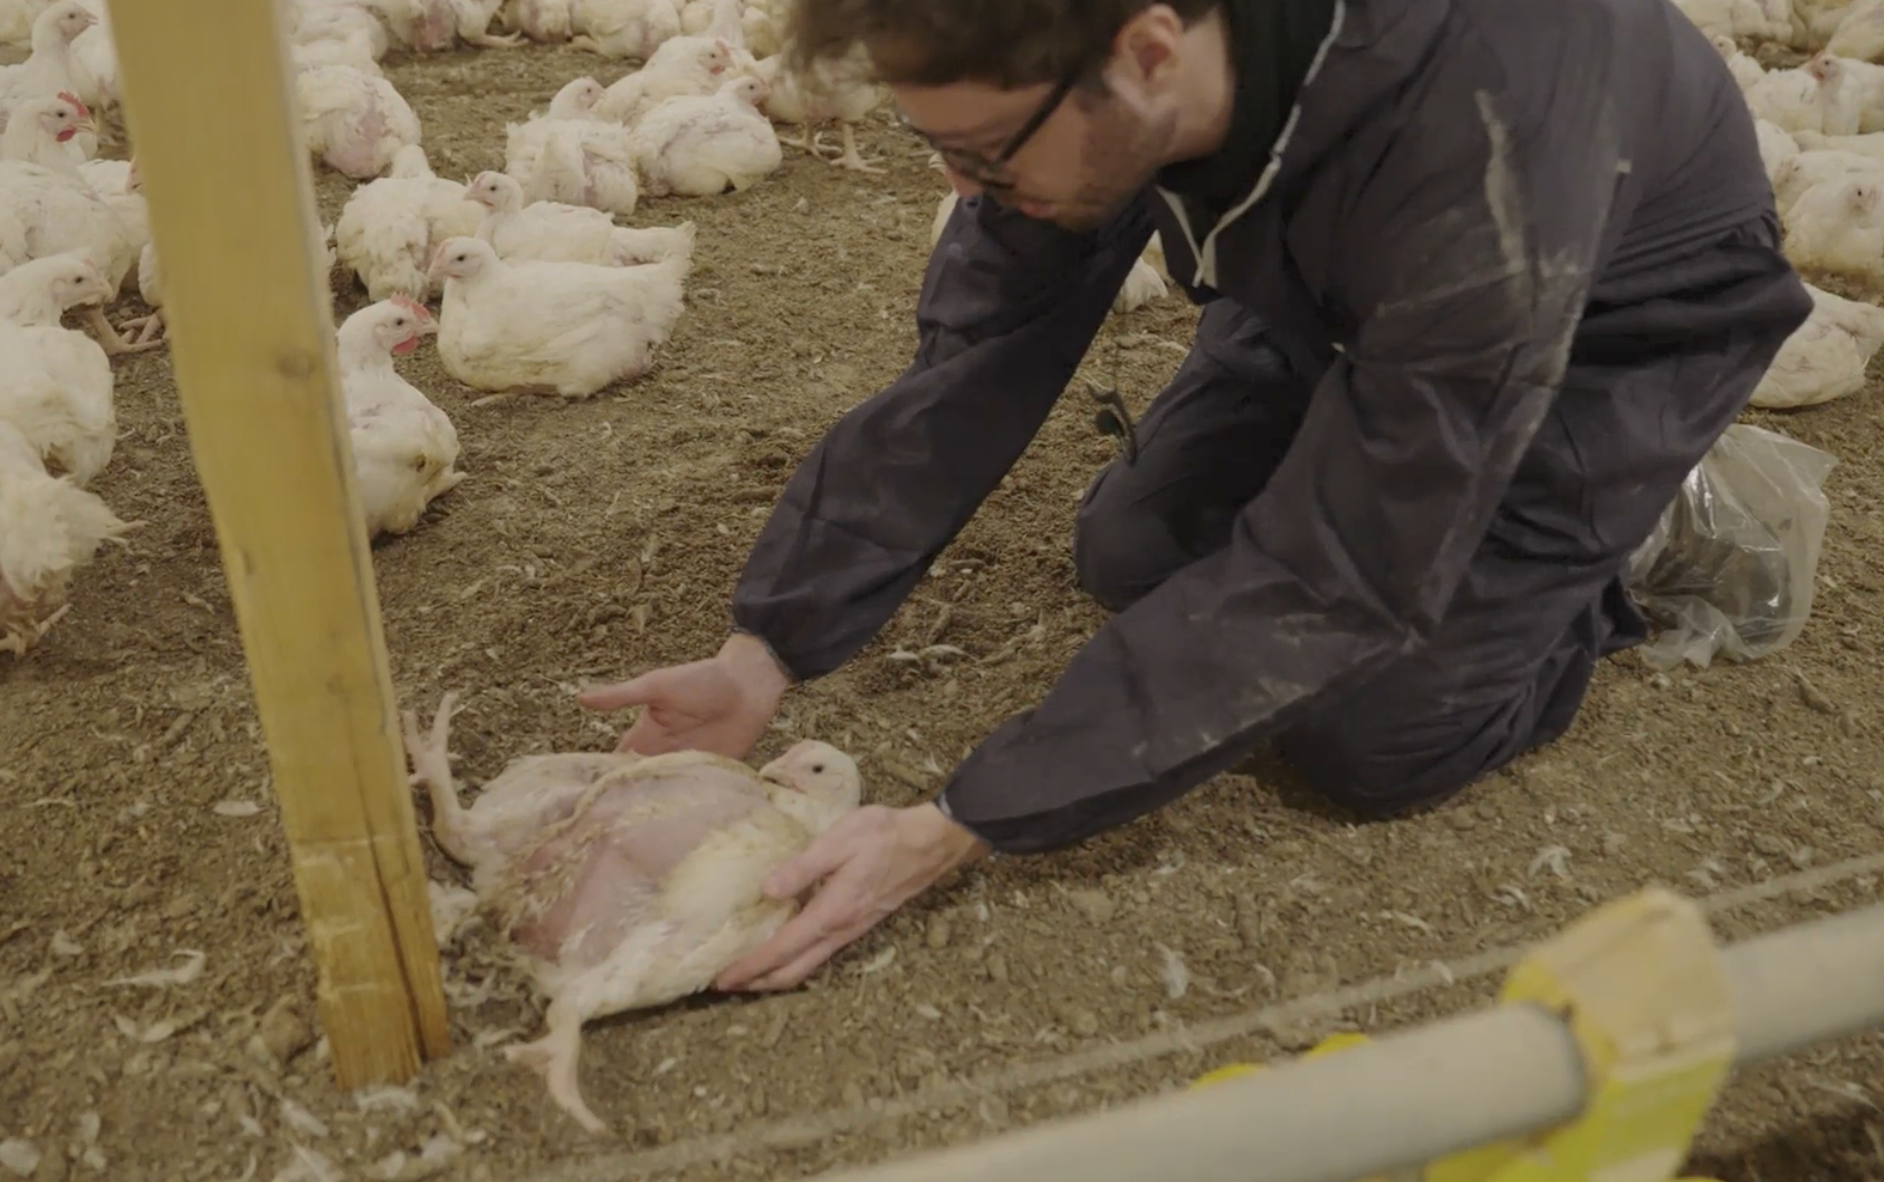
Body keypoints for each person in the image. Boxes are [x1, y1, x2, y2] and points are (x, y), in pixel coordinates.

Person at [579, 0, 1813, 992]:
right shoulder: (1072, 65)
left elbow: (1333, 574)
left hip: (1598, 327)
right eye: (935, 147)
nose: (959, 189)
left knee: (1366, 735)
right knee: (1133, 548)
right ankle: (1412, 447)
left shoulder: (1474, 129)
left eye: (981, 153)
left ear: (1152, 51)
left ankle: (1650, 511)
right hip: (1343, 287)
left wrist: (962, 819)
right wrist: (768, 648)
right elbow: (979, 346)